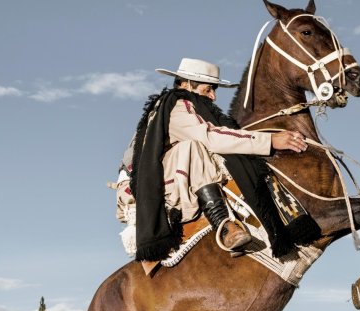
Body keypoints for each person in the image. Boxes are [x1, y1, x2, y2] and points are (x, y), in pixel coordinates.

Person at [125, 57, 312, 263]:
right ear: (186, 84)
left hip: (180, 176)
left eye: (214, 90)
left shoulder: (180, 108)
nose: (213, 97)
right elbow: (211, 137)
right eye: (208, 90)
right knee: (194, 147)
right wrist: (269, 140)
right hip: (167, 188)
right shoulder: (177, 105)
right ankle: (223, 225)